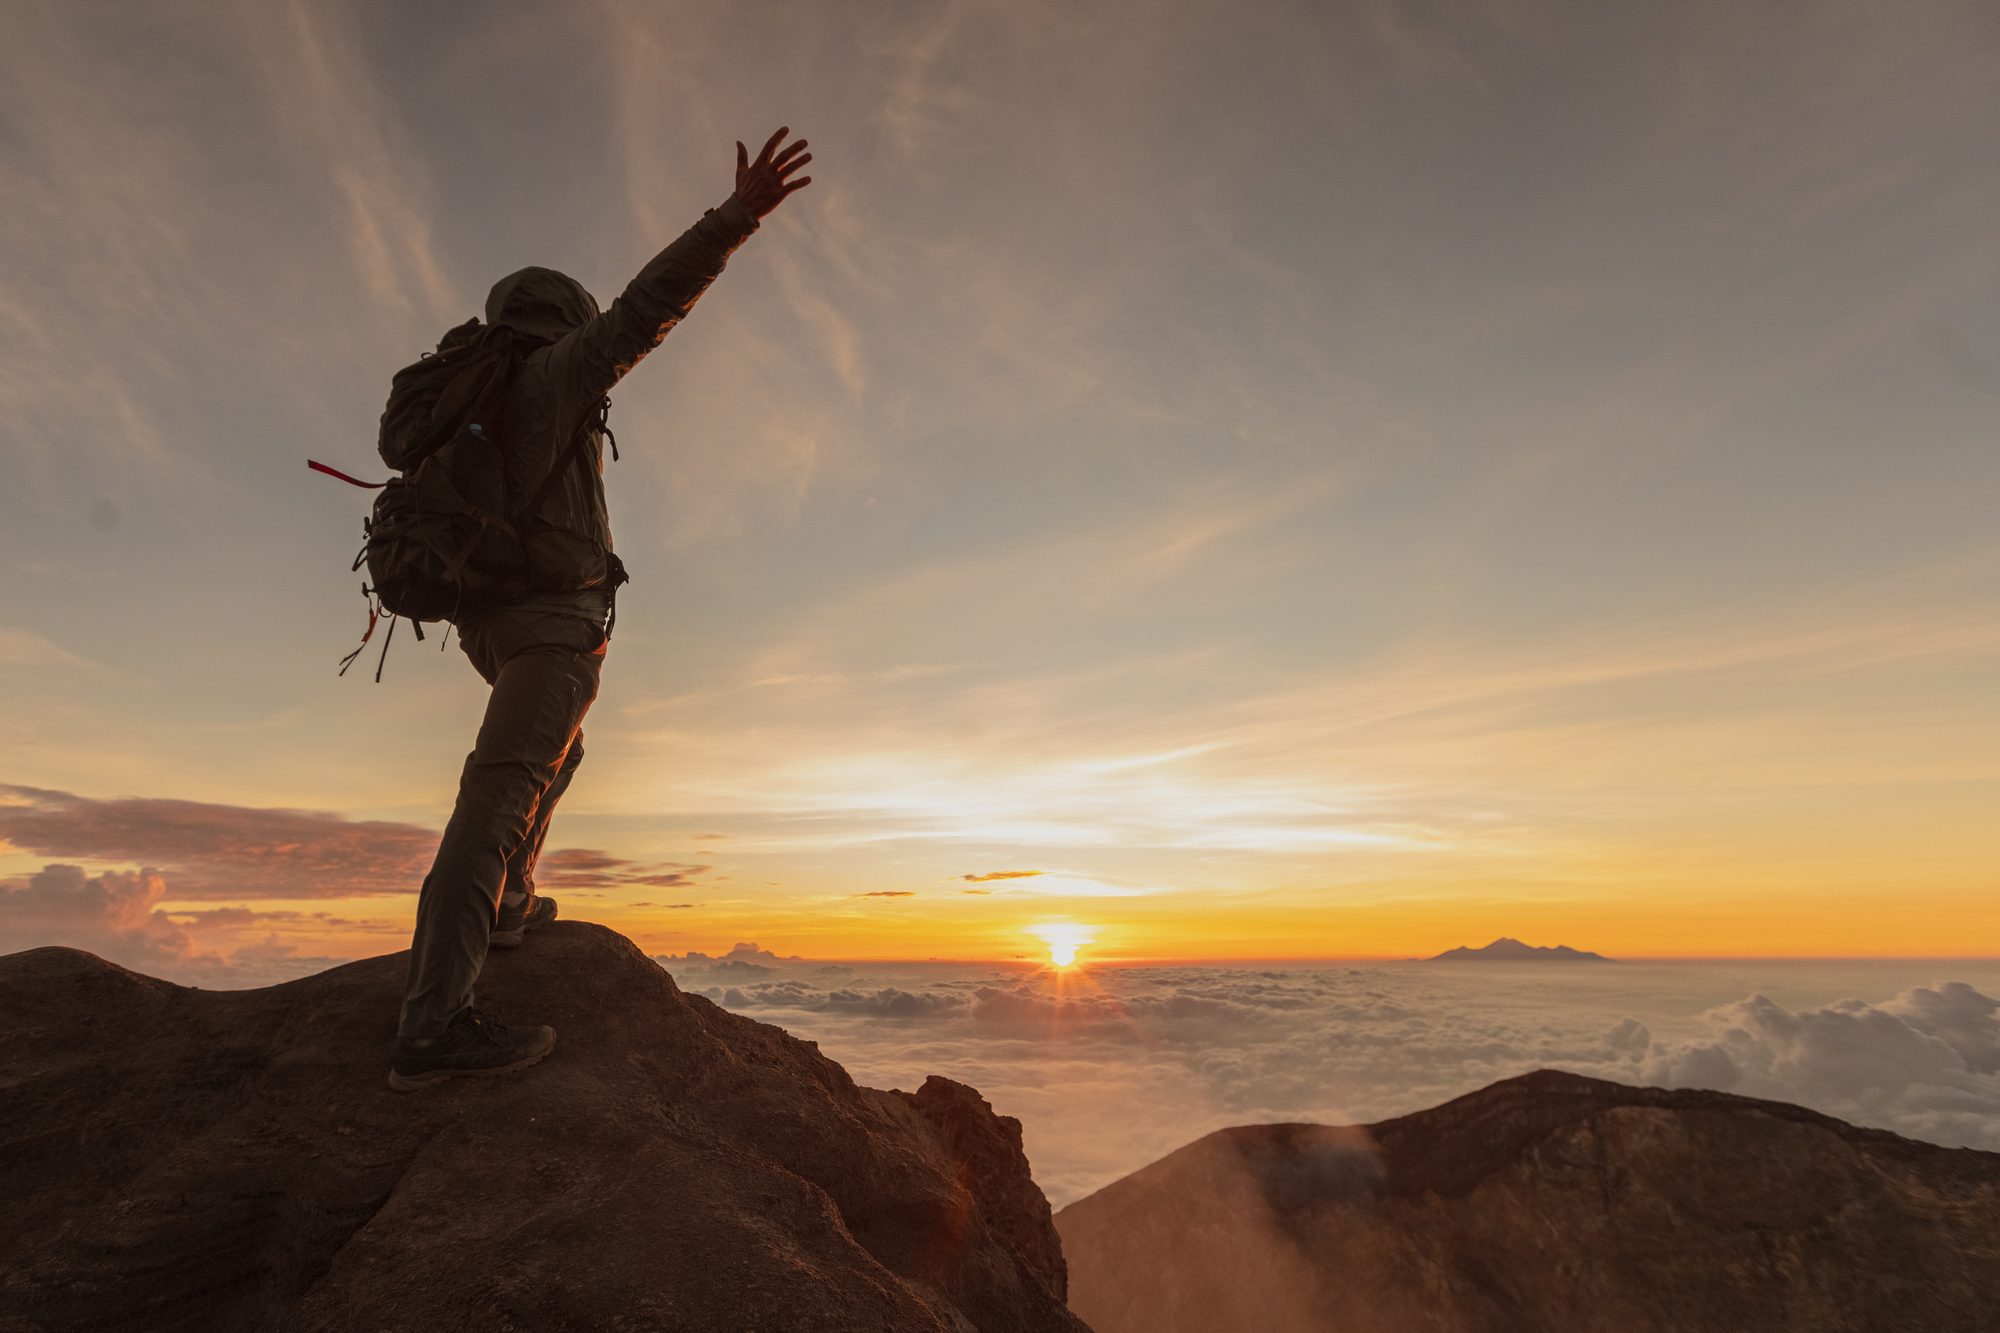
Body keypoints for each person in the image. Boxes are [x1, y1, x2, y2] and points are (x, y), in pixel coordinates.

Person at [388, 129, 812, 1092]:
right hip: (550, 625)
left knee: (555, 754)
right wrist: (735, 217)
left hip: (488, 627)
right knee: (496, 798)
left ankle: (507, 904)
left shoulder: (460, 400)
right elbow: (645, 310)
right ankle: (434, 1026)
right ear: (560, 319)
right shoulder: (551, 376)